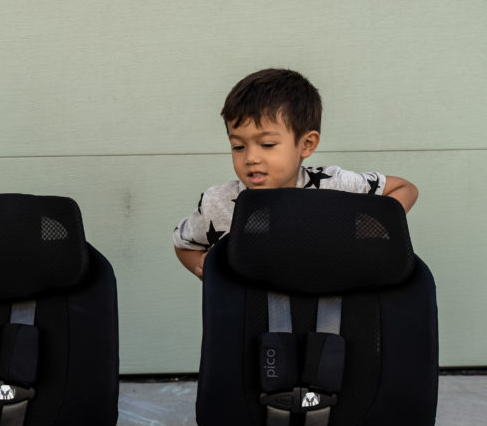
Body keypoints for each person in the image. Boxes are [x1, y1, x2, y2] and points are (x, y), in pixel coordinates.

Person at [173, 68, 418, 279]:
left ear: (307, 144)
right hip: (252, 326)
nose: (250, 158)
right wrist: (198, 265)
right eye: (238, 146)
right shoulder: (217, 202)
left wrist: (367, 230)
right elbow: (183, 244)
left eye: (267, 144)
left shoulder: (335, 186)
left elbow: (405, 189)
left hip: (327, 324)